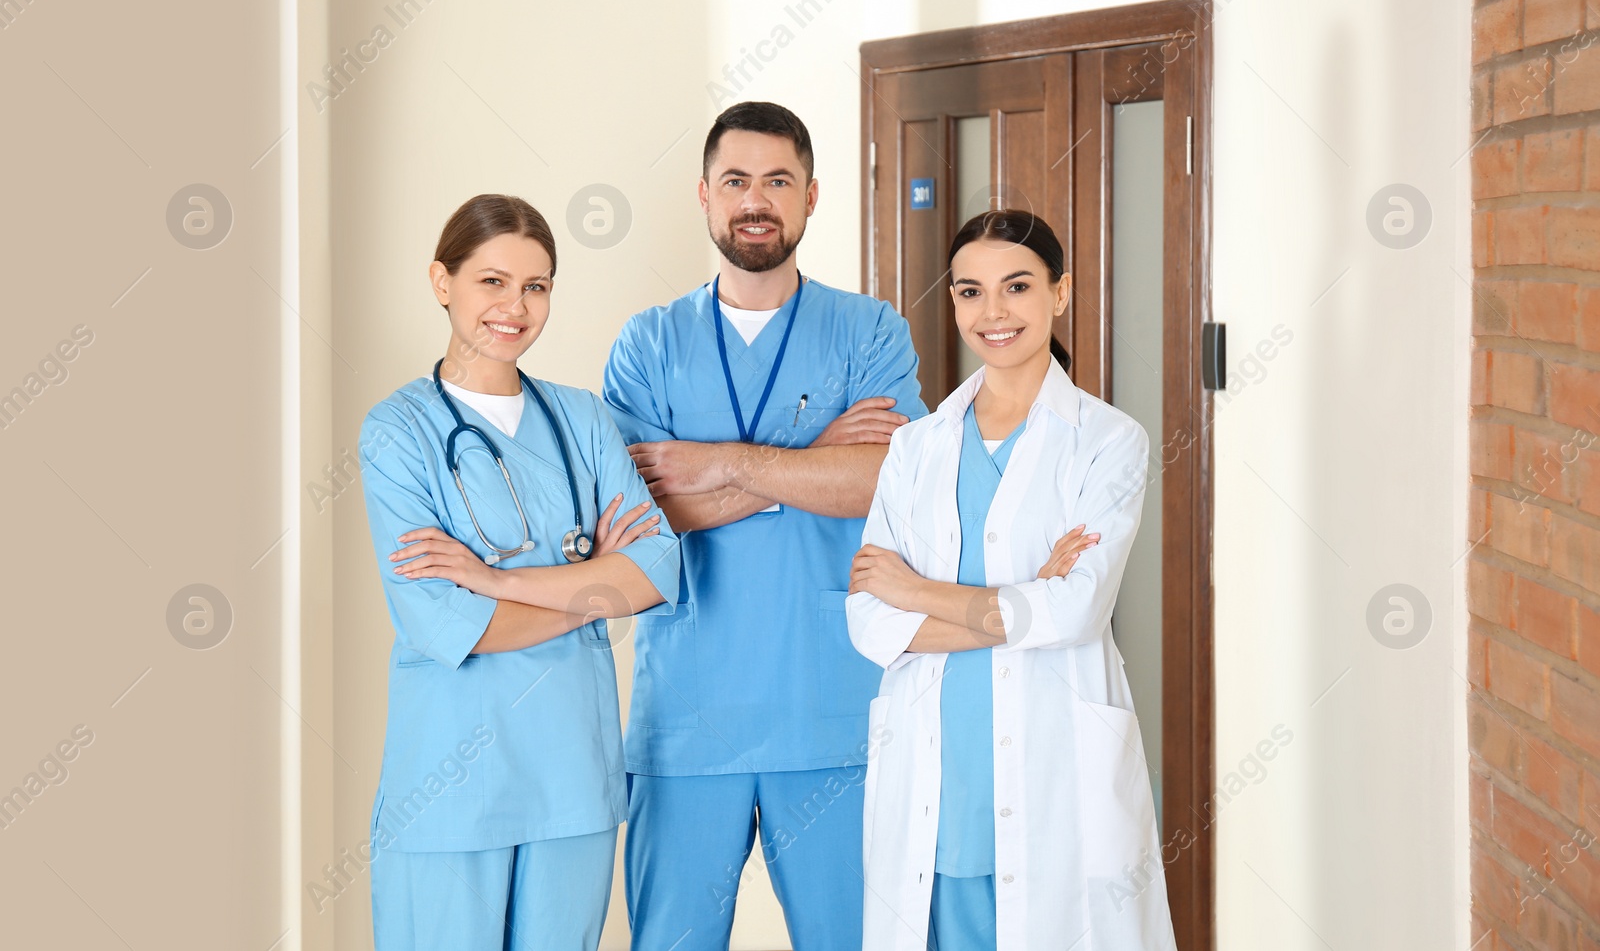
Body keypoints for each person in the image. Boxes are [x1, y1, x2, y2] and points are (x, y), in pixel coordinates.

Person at [603, 101, 926, 950]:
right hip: (686, 715)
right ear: (704, 196)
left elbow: (888, 482)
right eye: (737, 181)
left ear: (813, 197)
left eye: (778, 180)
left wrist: (726, 463)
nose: (757, 199)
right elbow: (639, 518)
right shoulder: (648, 344)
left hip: (829, 709)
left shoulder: (870, 331)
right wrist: (811, 457)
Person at [847, 209, 1177, 950]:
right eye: (970, 291)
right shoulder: (916, 445)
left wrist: (918, 592)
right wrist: (1022, 597)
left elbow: (1075, 611)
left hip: (1054, 766)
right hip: (938, 772)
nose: (993, 312)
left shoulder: (1107, 440)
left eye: (1017, 287)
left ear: (1059, 294)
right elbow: (869, 620)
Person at [357, 193, 681, 950]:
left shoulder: (583, 418)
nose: (515, 306)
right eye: (492, 282)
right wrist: (596, 589)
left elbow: (658, 566)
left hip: (573, 781)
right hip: (448, 790)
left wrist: (500, 580)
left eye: (536, 286)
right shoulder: (397, 431)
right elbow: (445, 621)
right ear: (443, 282)